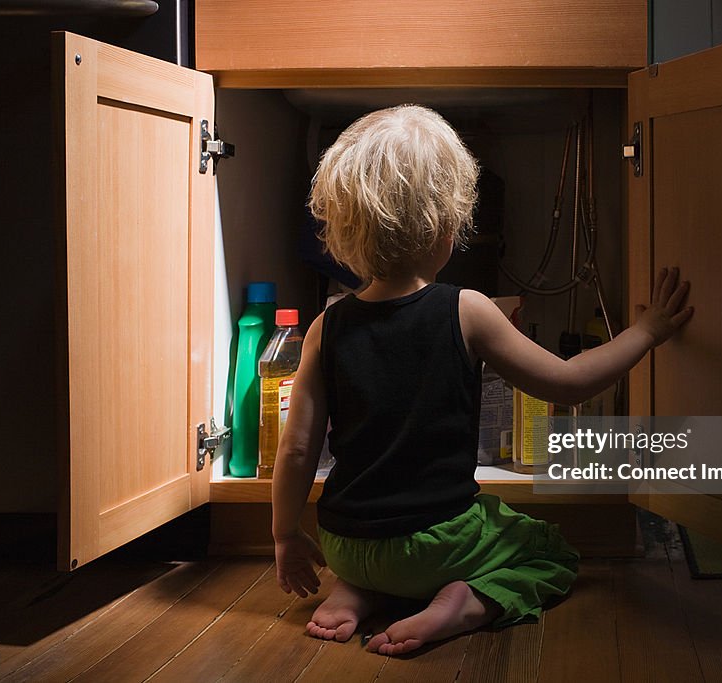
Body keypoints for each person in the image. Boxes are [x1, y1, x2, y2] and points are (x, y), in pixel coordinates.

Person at [271, 104, 693, 656]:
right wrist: (648, 331)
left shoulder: (326, 326)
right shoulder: (467, 310)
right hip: (438, 543)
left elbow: (297, 449)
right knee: (549, 552)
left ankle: (358, 589)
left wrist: (284, 536)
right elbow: (568, 383)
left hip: (346, 542)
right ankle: (464, 603)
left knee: (383, 552)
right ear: (448, 226)